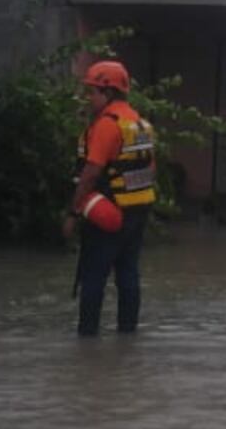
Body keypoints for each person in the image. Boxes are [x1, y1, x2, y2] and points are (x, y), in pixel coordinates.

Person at [62, 60, 157, 336]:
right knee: (128, 275)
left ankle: (87, 340)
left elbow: (90, 174)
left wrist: (73, 213)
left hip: (109, 213)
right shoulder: (139, 123)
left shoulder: (107, 125)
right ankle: (128, 337)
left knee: (93, 276)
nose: (88, 98)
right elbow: (151, 169)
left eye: (92, 92)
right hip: (137, 212)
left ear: (109, 93)